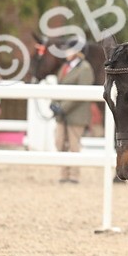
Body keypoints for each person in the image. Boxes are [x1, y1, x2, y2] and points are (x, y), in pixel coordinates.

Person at [50, 42, 94, 183]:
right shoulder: (64, 67)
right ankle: (64, 173)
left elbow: (82, 92)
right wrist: (54, 103)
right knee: (59, 142)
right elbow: (59, 86)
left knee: (74, 145)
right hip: (62, 114)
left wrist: (63, 107)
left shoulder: (85, 68)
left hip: (76, 113)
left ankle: (74, 175)